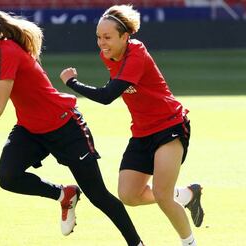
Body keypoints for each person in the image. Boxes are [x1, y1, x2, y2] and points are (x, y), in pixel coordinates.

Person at [0, 9, 145, 246]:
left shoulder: (6, 51)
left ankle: (137, 244)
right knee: (8, 176)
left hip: (65, 126)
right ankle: (64, 194)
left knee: (98, 196)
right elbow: (7, 81)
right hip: (31, 129)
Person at [60, 4, 204, 246]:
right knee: (128, 195)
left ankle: (189, 243)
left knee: (161, 195)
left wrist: (72, 82)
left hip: (170, 125)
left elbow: (107, 96)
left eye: (107, 37)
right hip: (141, 132)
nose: (101, 43)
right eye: (98, 37)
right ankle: (188, 194)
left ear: (125, 36)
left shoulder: (135, 51)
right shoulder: (108, 55)